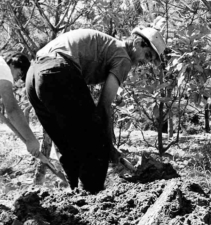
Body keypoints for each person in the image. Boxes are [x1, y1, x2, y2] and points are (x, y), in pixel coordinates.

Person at [26, 25, 166, 193]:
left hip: (34, 75)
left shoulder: (109, 47)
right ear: (138, 42)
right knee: (97, 143)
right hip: (57, 70)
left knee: (67, 145)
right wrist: (108, 147)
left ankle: (77, 197)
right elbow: (104, 107)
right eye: (148, 55)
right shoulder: (123, 57)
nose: (144, 62)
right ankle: (94, 198)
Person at [0, 52, 40, 157]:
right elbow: (12, 110)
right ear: (13, 65)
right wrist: (31, 139)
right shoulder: (4, 69)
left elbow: (5, 116)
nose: (17, 79)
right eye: (19, 73)